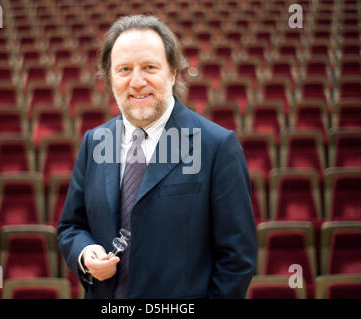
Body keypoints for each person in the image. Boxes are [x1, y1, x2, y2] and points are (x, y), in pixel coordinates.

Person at [57, 15, 257, 299]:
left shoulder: (216, 146)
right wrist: (85, 253)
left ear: (173, 72)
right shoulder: (95, 142)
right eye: (124, 69)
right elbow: (71, 227)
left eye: (149, 67)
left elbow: (238, 259)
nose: (137, 82)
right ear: (110, 77)